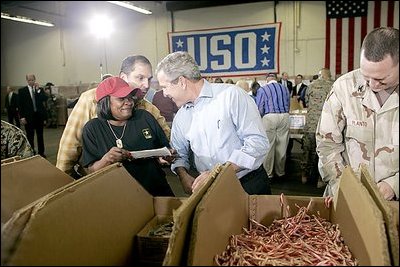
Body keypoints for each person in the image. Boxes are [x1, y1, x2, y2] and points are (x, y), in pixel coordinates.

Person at [156, 51, 271, 195]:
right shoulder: (181, 116)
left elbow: (258, 143)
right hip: (209, 190)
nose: (164, 94)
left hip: (247, 185)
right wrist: (183, 175)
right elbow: (179, 153)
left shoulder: (231, 96)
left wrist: (219, 172)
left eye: (165, 87)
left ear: (182, 82)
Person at [316, 27, 399, 201]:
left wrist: (394, 184)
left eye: (381, 79)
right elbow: (327, 145)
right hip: (346, 195)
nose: (372, 85)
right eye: (366, 76)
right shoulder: (343, 87)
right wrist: (341, 185)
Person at [56, 55, 170, 178]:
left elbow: (167, 142)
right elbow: (69, 148)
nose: (146, 85)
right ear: (123, 77)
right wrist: (63, 184)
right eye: (140, 78)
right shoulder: (90, 100)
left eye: (149, 79)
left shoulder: (149, 110)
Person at [82, 77, 175, 196]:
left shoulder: (144, 117)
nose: (129, 102)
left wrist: (166, 157)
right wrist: (106, 160)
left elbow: (164, 150)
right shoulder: (93, 128)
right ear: (105, 102)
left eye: (130, 97)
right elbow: (91, 172)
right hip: (117, 196)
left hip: (155, 190)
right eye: (121, 98)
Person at [301, 68, 333, 188]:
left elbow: (306, 102)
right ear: (329, 76)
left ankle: (304, 175)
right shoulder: (333, 85)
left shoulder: (311, 85)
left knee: (307, 150)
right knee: (324, 152)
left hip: (310, 124)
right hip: (326, 125)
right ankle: (321, 179)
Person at [255, 73, 290, 182]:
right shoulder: (284, 88)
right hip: (284, 116)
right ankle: (280, 173)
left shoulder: (263, 89)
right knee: (282, 146)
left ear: (267, 80)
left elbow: (259, 107)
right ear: (276, 79)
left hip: (269, 117)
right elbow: (288, 104)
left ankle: (269, 174)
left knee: (269, 147)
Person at [17, 74, 48, 157]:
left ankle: (41, 152)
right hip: (28, 117)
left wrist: (38, 91)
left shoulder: (39, 90)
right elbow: (20, 105)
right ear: (27, 80)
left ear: (35, 80)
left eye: (32, 80)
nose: (31, 81)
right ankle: (31, 152)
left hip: (38, 117)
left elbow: (44, 98)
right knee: (30, 136)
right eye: (29, 80)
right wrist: (22, 117)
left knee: (40, 135)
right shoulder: (22, 91)